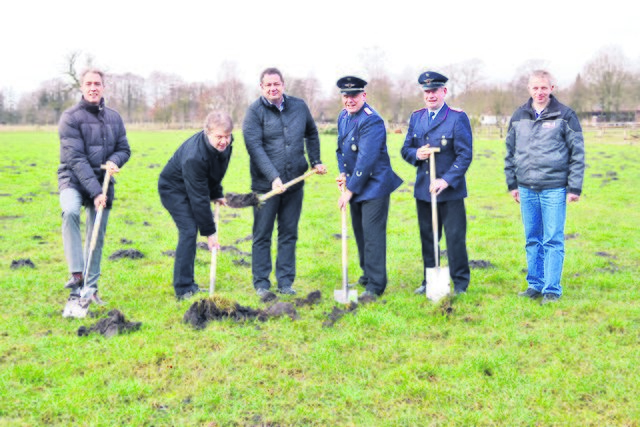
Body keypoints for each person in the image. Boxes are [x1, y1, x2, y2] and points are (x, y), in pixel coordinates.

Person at [242, 67, 327, 297]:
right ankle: (261, 283)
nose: (273, 88)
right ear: (261, 87)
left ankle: (285, 282)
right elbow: (254, 148)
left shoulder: (299, 106)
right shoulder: (254, 112)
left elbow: (311, 132)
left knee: (289, 233)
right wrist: (273, 177)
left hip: (294, 184)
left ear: (283, 85)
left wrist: (315, 160)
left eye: (276, 84)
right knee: (262, 234)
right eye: (268, 85)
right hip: (265, 186)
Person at [504, 69, 585, 305]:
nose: (539, 92)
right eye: (535, 88)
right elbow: (509, 152)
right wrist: (513, 184)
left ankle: (551, 289)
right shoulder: (519, 115)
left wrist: (574, 187)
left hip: (554, 188)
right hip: (526, 188)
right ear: (529, 89)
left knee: (552, 239)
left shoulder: (566, 115)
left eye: (543, 87)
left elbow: (577, 154)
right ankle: (535, 285)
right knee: (532, 238)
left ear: (552, 88)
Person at [58, 69, 131, 314]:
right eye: (88, 84)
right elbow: (76, 159)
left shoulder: (114, 117)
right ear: (81, 87)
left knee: (95, 235)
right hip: (73, 179)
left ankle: (90, 289)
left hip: (104, 181)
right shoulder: (69, 118)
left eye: (97, 84)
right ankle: (77, 273)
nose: (93, 88)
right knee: (69, 212)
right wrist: (95, 191)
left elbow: (124, 148)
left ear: (103, 87)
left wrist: (115, 161)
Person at [400, 71, 473, 296]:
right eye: (427, 91)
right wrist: (416, 154)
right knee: (428, 238)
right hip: (424, 190)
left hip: (450, 192)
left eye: (435, 91)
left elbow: (464, 154)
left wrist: (446, 180)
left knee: (454, 238)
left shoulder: (456, 117)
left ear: (444, 92)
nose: (431, 95)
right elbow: (406, 149)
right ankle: (429, 280)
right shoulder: (417, 117)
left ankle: (460, 283)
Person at [336, 76, 403, 299]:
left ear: (363, 96)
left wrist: (349, 191)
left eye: (354, 95)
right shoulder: (343, 117)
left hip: (374, 185)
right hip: (356, 183)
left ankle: (375, 285)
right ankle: (367, 274)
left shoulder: (372, 121)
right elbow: (341, 151)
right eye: (346, 96)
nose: (349, 100)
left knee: (372, 235)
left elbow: (366, 160)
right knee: (360, 232)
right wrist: (343, 173)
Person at [158, 111, 234, 300]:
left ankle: (190, 284)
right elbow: (199, 198)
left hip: (193, 186)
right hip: (173, 189)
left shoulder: (226, 146)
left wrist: (216, 193)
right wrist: (210, 233)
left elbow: (216, 171)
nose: (224, 141)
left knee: (190, 231)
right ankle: (183, 288)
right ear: (207, 133)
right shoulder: (194, 156)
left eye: (227, 136)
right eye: (219, 137)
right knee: (189, 231)